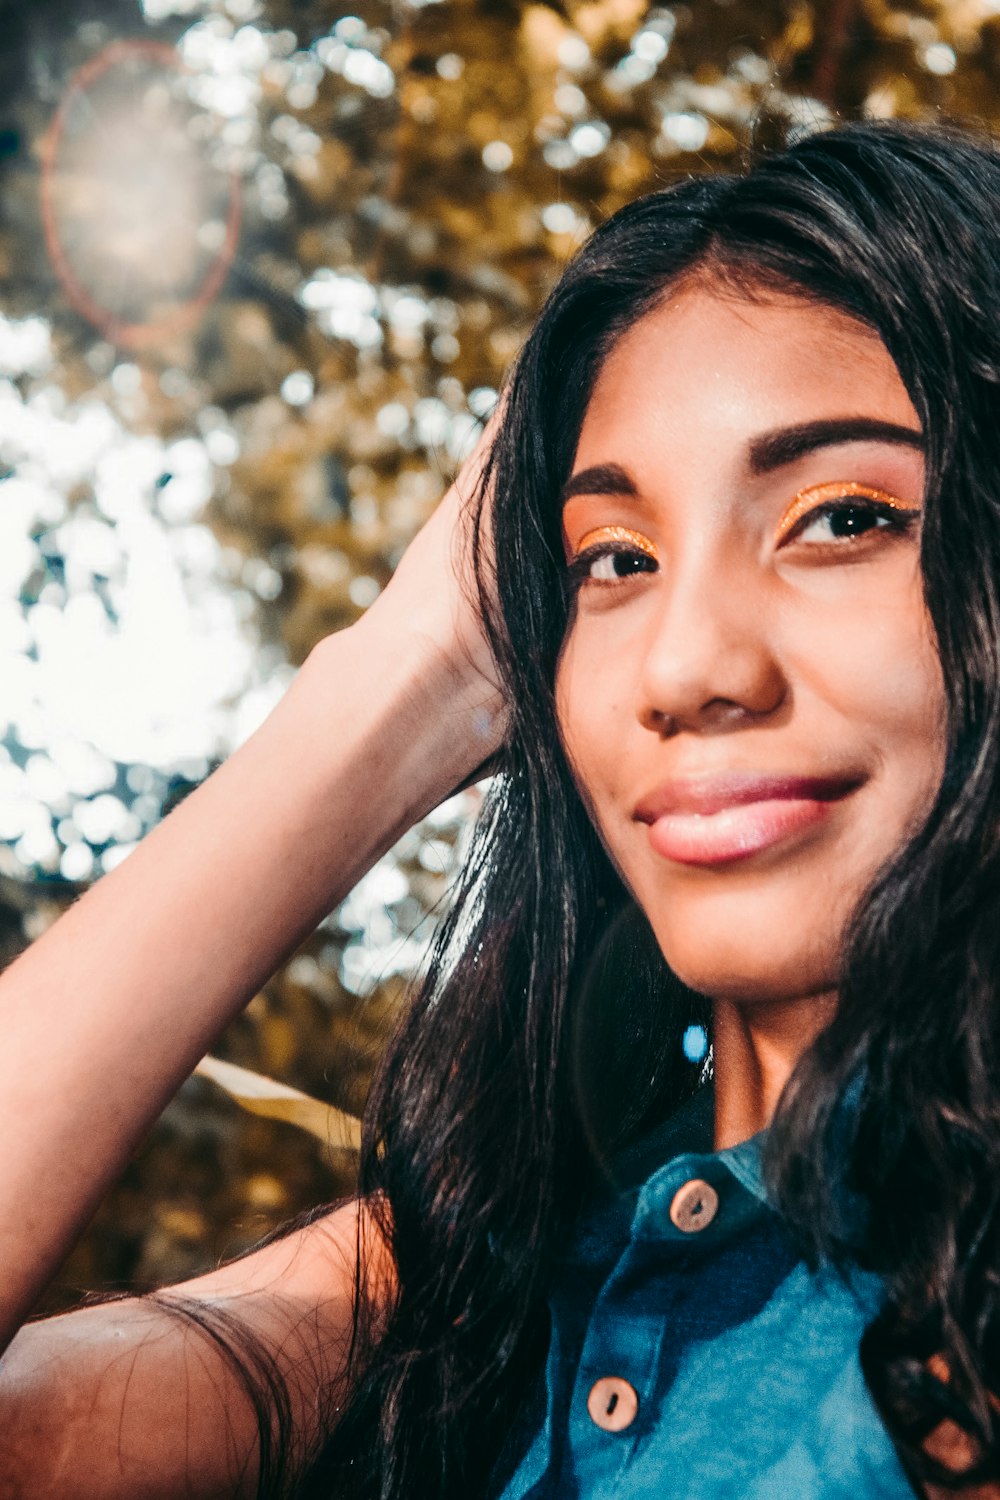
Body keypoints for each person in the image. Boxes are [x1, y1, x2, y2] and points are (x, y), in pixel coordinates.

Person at [1, 112, 999, 1499]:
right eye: (613, 558)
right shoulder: (449, 1283)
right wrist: (404, 681)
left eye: (840, 517)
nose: (688, 668)